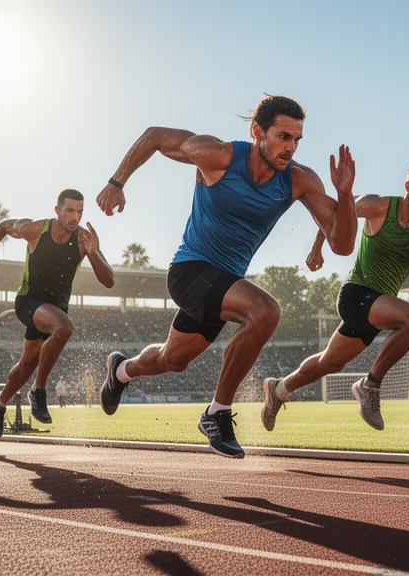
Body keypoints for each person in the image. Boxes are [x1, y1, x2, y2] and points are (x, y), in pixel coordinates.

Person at [95, 95, 358, 458]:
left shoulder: (299, 180)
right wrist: (116, 182)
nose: (290, 148)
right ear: (257, 132)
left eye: (297, 139)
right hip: (191, 270)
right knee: (265, 311)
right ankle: (217, 413)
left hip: (224, 286)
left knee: (173, 360)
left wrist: (344, 195)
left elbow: (342, 245)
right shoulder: (218, 156)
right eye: (283, 137)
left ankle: (121, 370)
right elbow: (155, 136)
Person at [262, 160, 409, 431]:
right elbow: (336, 215)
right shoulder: (379, 205)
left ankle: (278, 390)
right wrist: (317, 248)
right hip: (356, 295)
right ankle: (370, 385)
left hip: (378, 308)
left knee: (329, 362)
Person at [0, 189, 114, 438]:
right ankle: (38, 391)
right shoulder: (37, 230)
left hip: (53, 310)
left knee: (27, 365)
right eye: (70, 211)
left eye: (80, 212)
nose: (75, 217)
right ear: (57, 210)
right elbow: (4, 226)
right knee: (64, 327)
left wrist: (93, 254)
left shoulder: (84, 240)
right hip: (29, 301)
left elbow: (109, 281)